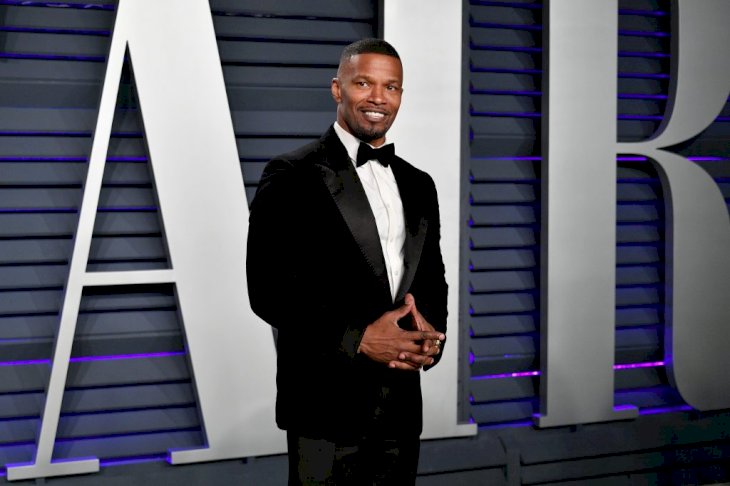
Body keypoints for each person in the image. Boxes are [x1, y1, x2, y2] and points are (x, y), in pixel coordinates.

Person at [247, 38, 448, 485]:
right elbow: (268, 290)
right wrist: (357, 338)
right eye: (364, 83)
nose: (379, 98)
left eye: (391, 87)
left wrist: (430, 340)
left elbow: (431, 276)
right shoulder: (290, 174)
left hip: (400, 406)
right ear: (337, 89)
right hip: (324, 408)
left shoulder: (420, 184)